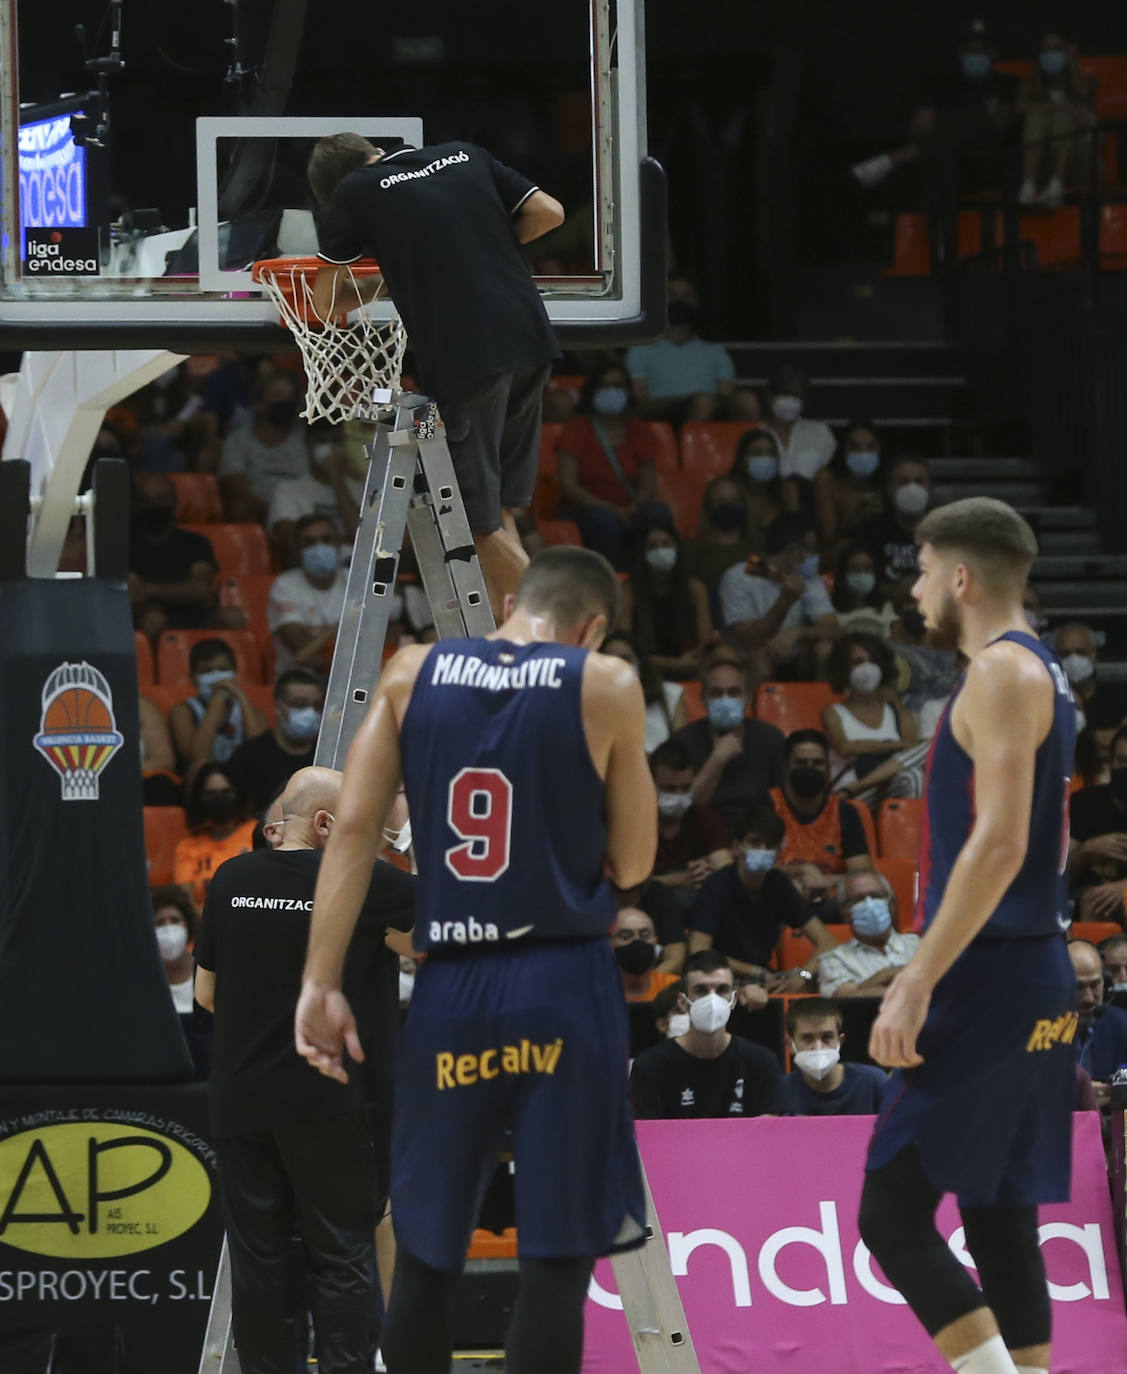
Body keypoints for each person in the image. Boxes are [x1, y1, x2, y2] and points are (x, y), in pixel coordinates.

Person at [294, 546, 654, 1374]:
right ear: (592, 627)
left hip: (452, 984)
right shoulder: (603, 685)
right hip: (563, 983)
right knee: (555, 1260)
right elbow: (633, 863)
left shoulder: (409, 672)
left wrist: (320, 980)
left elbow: (351, 832)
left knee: (425, 1250)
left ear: (508, 600)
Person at [860, 498, 1077, 1374]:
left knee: (891, 1217)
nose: (912, 592)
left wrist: (916, 976)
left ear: (959, 576)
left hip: (991, 974)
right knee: (996, 1213)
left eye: (918, 571)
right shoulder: (1043, 670)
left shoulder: (999, 673)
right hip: (1029, 970)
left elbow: (1001, 843)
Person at [194, 766, 416, 1374]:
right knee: (343, 1257)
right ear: (326, 825)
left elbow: (206, 994)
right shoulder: (361, 880)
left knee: (260, 1263)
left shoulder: (231, 879)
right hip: (330, 1103)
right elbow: (438, 936)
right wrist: (401, 837)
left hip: (241, 1103)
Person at [308, 133, 565, 616]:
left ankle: (560, 635)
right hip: (530, 337)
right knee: (499, 510)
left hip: (468, 355)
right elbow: (550, 213)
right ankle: (503, 636)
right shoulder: (465, 154)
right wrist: (455, 255)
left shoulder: (355, 190)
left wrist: (395, 271)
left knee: (471, 521)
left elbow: (325, 302)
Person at [687, 800, 837, 984]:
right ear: (736, 847)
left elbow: (827, 942)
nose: (763, 851)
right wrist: (754, 972)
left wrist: (802, 976)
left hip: (764, 978)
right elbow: (699, 951)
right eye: (755, 843)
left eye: (770, 845)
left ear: (779, 851)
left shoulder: (779, 883)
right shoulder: (717, 885)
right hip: (720, 978)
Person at [629, 951, 782, 1119]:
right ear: (683, 1002)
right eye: (701, 990)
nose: (712, 1000)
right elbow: (647, 1138)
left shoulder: (761, 1062)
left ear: (733, 1000)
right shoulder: (650, 1067)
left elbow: (767, 1135)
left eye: (722, 990)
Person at [554, 362, 672, 567]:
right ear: (592, 392)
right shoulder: (577, 429)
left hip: (631, 508)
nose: (612, 391)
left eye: (618, 386)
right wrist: (612, 510)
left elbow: (649, 482)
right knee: (604, 521)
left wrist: (634, 507)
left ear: (628, 392)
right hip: (585, 510)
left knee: (658, 513)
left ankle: (652, 578)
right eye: (605, 386)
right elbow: (568, 485)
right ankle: (608, 580)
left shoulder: (639, 430)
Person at [671, 648, 786, 835]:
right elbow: (679, 810)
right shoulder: (682, 742)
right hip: (702, 839)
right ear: (703, 699)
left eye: (734, 693)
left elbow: (784, 806)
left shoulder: (771, 738)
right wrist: (716, 760)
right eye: (716, 693)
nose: (725, 700)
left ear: (748, 697)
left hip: (756, 838)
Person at [719, 517, 839, 680]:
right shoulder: (738, 575)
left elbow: (833, 629)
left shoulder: (810, 578)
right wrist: (785, 601)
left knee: (826, 648)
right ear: (791, 551)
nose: (816, 555)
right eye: (810, 549)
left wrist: (799, 632)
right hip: (750, 653)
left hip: (795, 652)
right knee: (759, 656)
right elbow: (750, 638)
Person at [769, 730, 873, 896]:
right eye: (801, 762)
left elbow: (862, 873)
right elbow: (751, 866)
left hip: (830, 899)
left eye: (817, 763)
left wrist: (824, 882)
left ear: (828, 768)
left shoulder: (844, 813)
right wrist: (800, 871)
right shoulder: (766, 805)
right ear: (786, 766)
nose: (809, 768)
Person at [128, 472, 223, 644]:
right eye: (146, 499)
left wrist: (148, 589)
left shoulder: (195, 543)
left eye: (161, 498)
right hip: (145, 619)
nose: (154, 506)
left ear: (174, 501)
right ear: (135, 503)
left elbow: (200, 588)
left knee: (231, 617)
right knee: (153, 619)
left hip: (194, 614)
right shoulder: (123, 546)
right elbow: (129, 594)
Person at [822, 632, 920, 798]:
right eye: (857, 662)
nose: (867, 668)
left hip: (888, 788)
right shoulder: (833, 713)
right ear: (843, 669)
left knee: (916, 773)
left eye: (873, 661)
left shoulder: (898, 713)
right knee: (914, 775)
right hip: (850, 795)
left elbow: (911, 747)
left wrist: (865, 746)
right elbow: (844, 747)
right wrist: (894, 745)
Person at [618, 524, 715, 681]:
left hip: (689, 664)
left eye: (666, 544)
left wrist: (692, 659)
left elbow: (704, 642)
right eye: (652, 546)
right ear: (643, 554)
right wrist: (676, 664)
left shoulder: (695, 588)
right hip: (643, 668)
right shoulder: (629, 590)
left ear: (677, 548)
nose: (660, 551)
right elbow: (624, 647)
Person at [217, 370, 314, 523]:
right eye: (278, 396)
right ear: (260, 403)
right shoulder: (238, 440)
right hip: (258, 514)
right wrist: (277, 513)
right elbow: (237, 489)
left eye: (290, 397)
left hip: (300, 516)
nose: (285, 402)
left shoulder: (304, 441)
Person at [624, 298, 737, 424]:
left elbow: (726, 393)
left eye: (686, 296)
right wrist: (685, 401)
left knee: (744, 401)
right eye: (673, 321)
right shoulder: (640, 350)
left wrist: (699, 402)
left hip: (708, 407)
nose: (677, 327)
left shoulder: (716, 351)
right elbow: (639, 396)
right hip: (658, 409)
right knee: (703, 402)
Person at [228, 669, 326, 815]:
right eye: (300, 704)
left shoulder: (325, 758)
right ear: (279, 707)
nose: (311, 713)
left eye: (317, 705)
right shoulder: (250, 755)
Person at [1017, 32, 1097, 207]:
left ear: (1067, 51)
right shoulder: (1030, 84)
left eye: (1056, 49)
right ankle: (1028, 186)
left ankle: (1056, 185)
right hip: (1043, 161)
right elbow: (1020, 107)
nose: (1051, 54)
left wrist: (1071, 63)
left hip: (1079, 160)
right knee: (1036, 115)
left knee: (1063, 115)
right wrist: (1049, 107)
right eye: (1046, 49)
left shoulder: (1086, 80)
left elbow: (1083, 92)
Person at [169, 637, 269, 774]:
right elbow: (196, 757)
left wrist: (243, 700)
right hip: (203, 780)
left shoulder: (252, 712)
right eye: (207, 671)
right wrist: (218, 701)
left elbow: (261, 752)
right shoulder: (183, 711)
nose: (216, 676)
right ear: (193, 678)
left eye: (222, 669)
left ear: (234, 673)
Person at [267, 425, 364, 564]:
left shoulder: (360, 488)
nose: (330, 447)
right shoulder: (288, 490)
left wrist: (336, 478)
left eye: (336, 440)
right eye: (322, 440)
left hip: (356, 567)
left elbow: (363, 538)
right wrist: (345, 539)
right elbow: (293, 544)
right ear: (309, 444)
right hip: (315, 569)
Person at [818, 870, 920, 997]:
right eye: (858, 899)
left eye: (876, 896)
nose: (869, 905)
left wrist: (865, 988)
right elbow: (845, 998)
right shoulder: (834, 959)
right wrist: (888, 974)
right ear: (844, 912)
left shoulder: (919, 944)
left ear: (892, 904)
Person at [780, 998, 890, 1116]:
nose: (818, 1047)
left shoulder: (873, 1082)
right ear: (790, 1045)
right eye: (807, 1038)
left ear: (840, 1041)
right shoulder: (779, 1091)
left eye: (827, 1037)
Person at [648, 739, 730, 897]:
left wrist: (712, 873)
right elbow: (625, 889)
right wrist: (675, 880)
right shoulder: (632, 822)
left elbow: (726, 870)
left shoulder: (704, 816)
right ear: (650, 784)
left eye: (686, 788)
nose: (679, 796)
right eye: (670, 789)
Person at [268, 513, 348, 675]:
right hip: (299, 679)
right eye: (309, 542)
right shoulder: (284, 585)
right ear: (298, 550)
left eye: (326, 540)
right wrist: (342, 628)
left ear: (339, 544)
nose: (319, 548)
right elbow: (303, 651)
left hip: (351, 678)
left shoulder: (359, 580)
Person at [173, 763, 258, 907]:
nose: (220, 799)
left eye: (227, 792)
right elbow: (186, 899)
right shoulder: (188, 845)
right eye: (211, 794)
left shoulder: (257, 832)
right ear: (199, 798)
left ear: (239, 794)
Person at [853, 455, 933, 603]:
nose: (912, 489)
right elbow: (856, 582)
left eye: (919, 481)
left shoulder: (946, 532)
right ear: (889, 489)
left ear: (928, 487)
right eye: (904, 482)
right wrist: (894, 590)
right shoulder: (870, 532)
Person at [1054, 620, 1127, 781]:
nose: (1073, 659)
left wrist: (1085, 737)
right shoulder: (1050, 699)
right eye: (1065, 654)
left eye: (1080, 652)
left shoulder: (1119, 697)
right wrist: (1099, 739)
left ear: (1094, 657)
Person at [1069, 723, 1127, 923]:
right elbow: (1060, 876)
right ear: (1109, 763)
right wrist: (1087, 850)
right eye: (1122, 761)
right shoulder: (1083, 804)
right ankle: (1089, 952)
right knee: (1094, 899)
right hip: (1090, 896)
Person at [599, 631, 687, 752]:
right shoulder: (597, 704)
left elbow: (683, 748)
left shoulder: (670, 693)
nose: (620, 665)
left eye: (626, 659)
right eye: (611, 661)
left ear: (640, 661)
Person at [683, 476, 764, 594]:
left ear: (743, 505)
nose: (728, 506)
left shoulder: (757, 547)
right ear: (709, 507)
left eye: (734, 501)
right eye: (721, 502)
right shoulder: (694, 551)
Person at [813, 421, 886, 549]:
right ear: (844, 451)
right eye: (855, 447)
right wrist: (856, 515)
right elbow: (829, 539)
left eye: (870, 447)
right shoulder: (827, 479)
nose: (863, 453)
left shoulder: (888, 478)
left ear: (880, 450)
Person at [761, 365, 836, 485]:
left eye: (796, 395)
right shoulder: (757, 433)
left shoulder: (821, 432)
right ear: (769, 396)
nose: (790, 401)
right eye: (784, 394)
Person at [829, 541, 898, 639]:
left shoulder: (888, 609)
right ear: (842, 574)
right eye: (854, 569)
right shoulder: (830, 612)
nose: (862, 575)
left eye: (868, 569)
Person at [611, 908, 681, 1004]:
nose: (637, 942)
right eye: (626, 936)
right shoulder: (595, 990)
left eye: (645, 935)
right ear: (609, 944)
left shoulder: (675, 988)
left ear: (655, 942)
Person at [153, 883, 200, 1014]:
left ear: (188, 925)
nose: (169, 929)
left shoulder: (207, 974)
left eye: (175, 920)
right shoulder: (144, 981)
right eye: (160, 923)